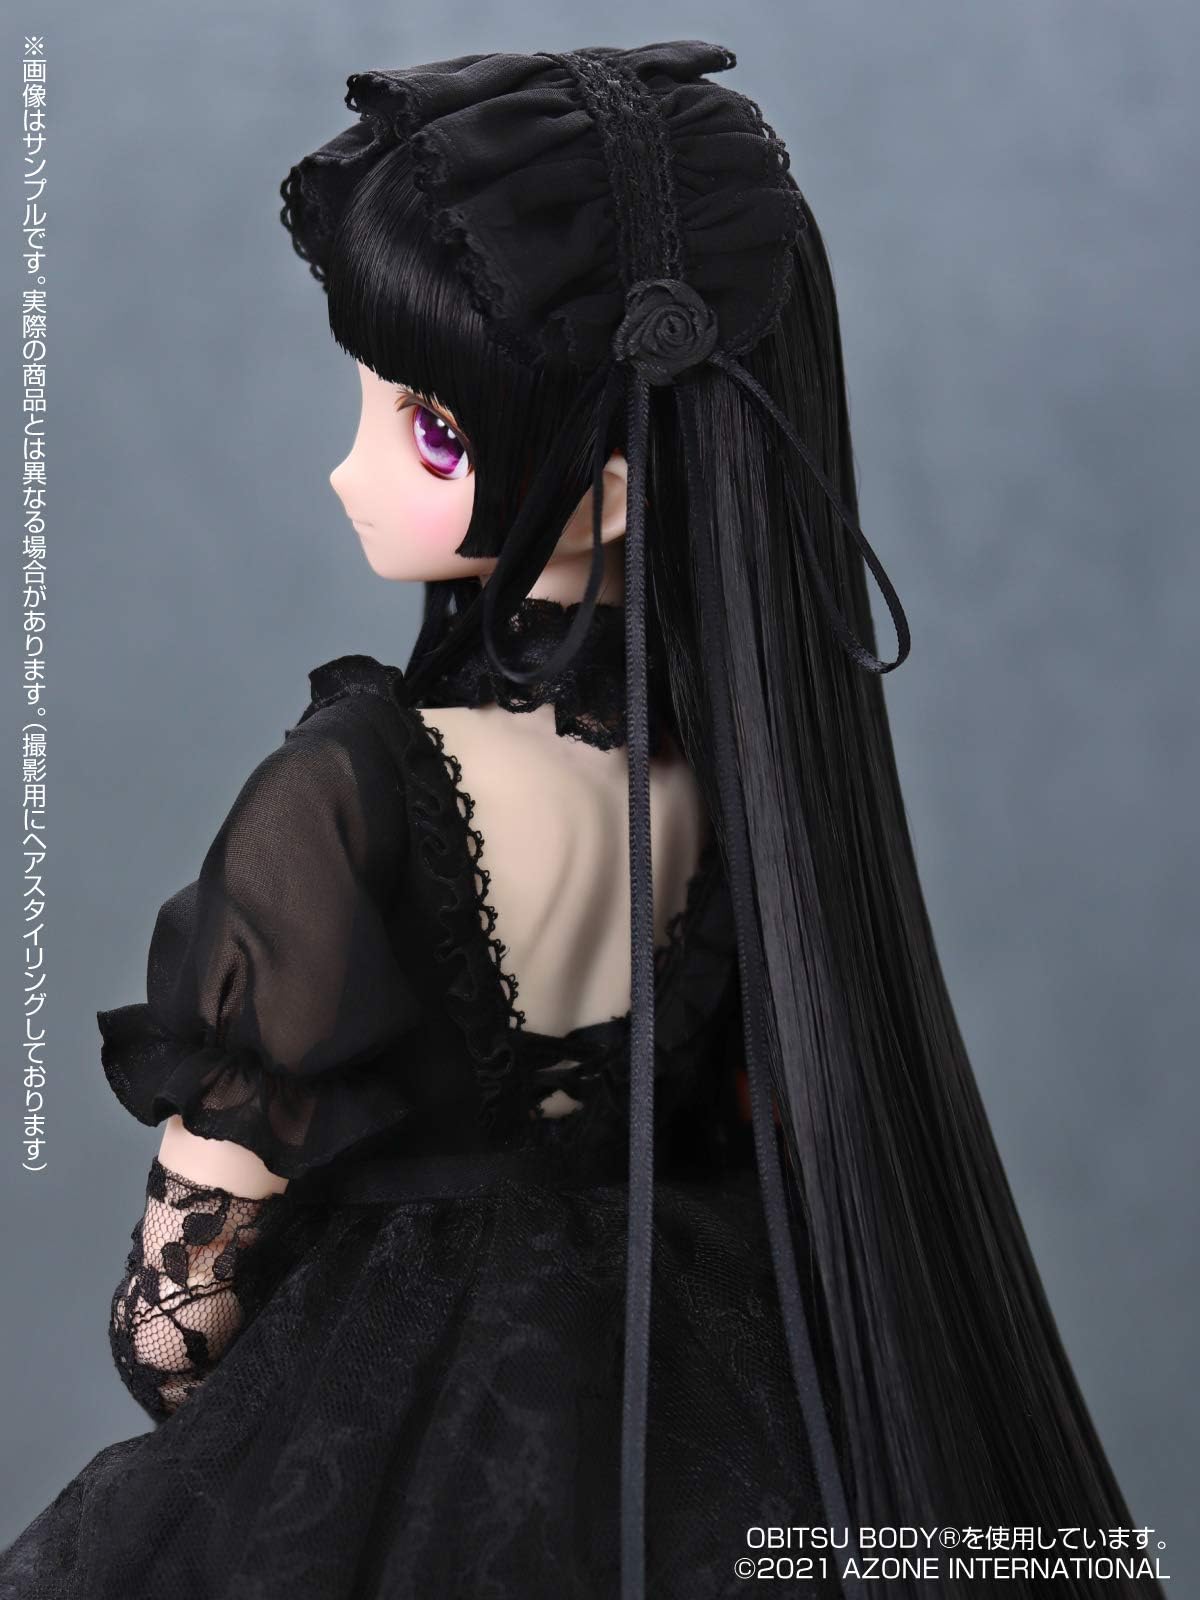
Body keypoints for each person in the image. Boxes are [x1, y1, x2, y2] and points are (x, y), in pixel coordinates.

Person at [0, 41, 1163, 1600]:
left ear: (608, 487)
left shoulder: (342, 796)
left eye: (426, 424)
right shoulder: (754, 785)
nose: (346, 468)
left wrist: (303, 1425)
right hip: (732, 1438)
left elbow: (173, 1327)